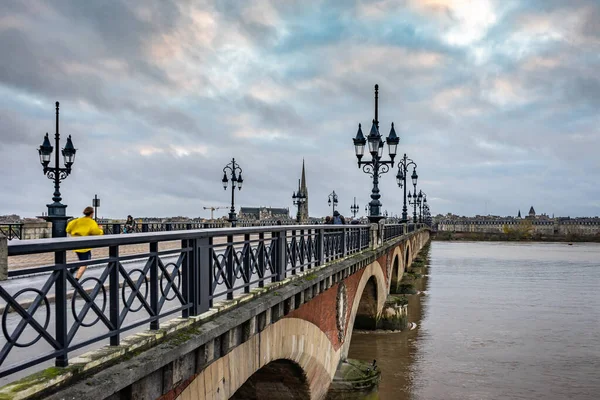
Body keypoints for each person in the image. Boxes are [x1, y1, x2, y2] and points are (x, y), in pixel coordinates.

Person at [66, 206, 104, 280]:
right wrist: (101, 229)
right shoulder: (91, 222)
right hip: (84, 246)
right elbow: (97, 233)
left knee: (82, 260)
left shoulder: (77, 220)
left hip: (75, 244)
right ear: (92, 213)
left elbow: (68, 229)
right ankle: (76, 281)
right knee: (85, 263)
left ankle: (74, 269)